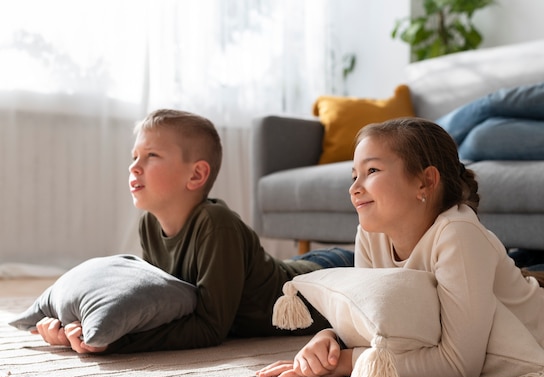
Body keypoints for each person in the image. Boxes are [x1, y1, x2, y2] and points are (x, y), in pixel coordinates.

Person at [257, 117, 544, 377]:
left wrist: (350, 362)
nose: (355, 187)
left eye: (371, 171)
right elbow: (374, 324)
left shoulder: (457, 233)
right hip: (526, 284)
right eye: (353, 175)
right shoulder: (371, 232)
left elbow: (458, 364)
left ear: (425, 181)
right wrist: (329, 339)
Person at [33, 109, 353, 354]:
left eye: (151, 156)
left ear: (196, 174)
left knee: (391, 275)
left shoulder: (217, 224)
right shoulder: (149, 222)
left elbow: (211, 327)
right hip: (306, 265)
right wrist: (77, 325)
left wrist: (116, 341)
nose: (133, 166)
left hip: (327, 278)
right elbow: (159, 304)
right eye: (134, 157)